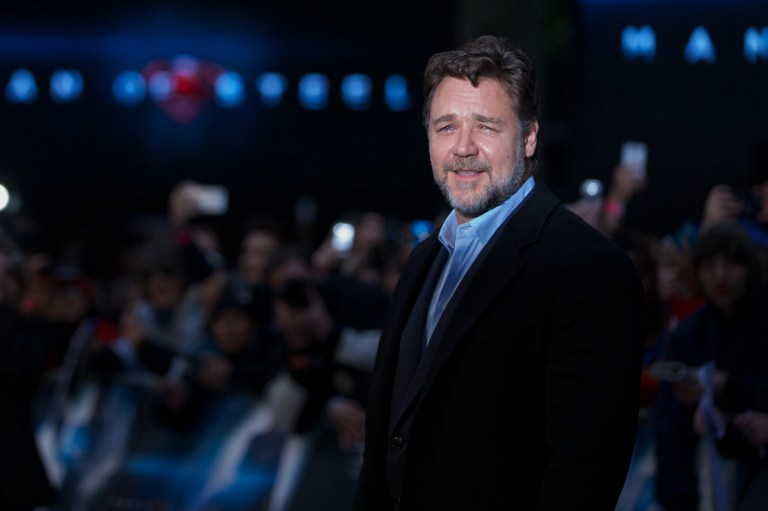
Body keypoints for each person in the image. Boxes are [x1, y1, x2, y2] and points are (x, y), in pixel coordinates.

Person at [353, 35, 646, 510]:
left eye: (486, 127)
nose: (463, 148)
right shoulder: (425, 257)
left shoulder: (589, 268)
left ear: (529, 137)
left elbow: (584, 471)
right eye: (446, 126)